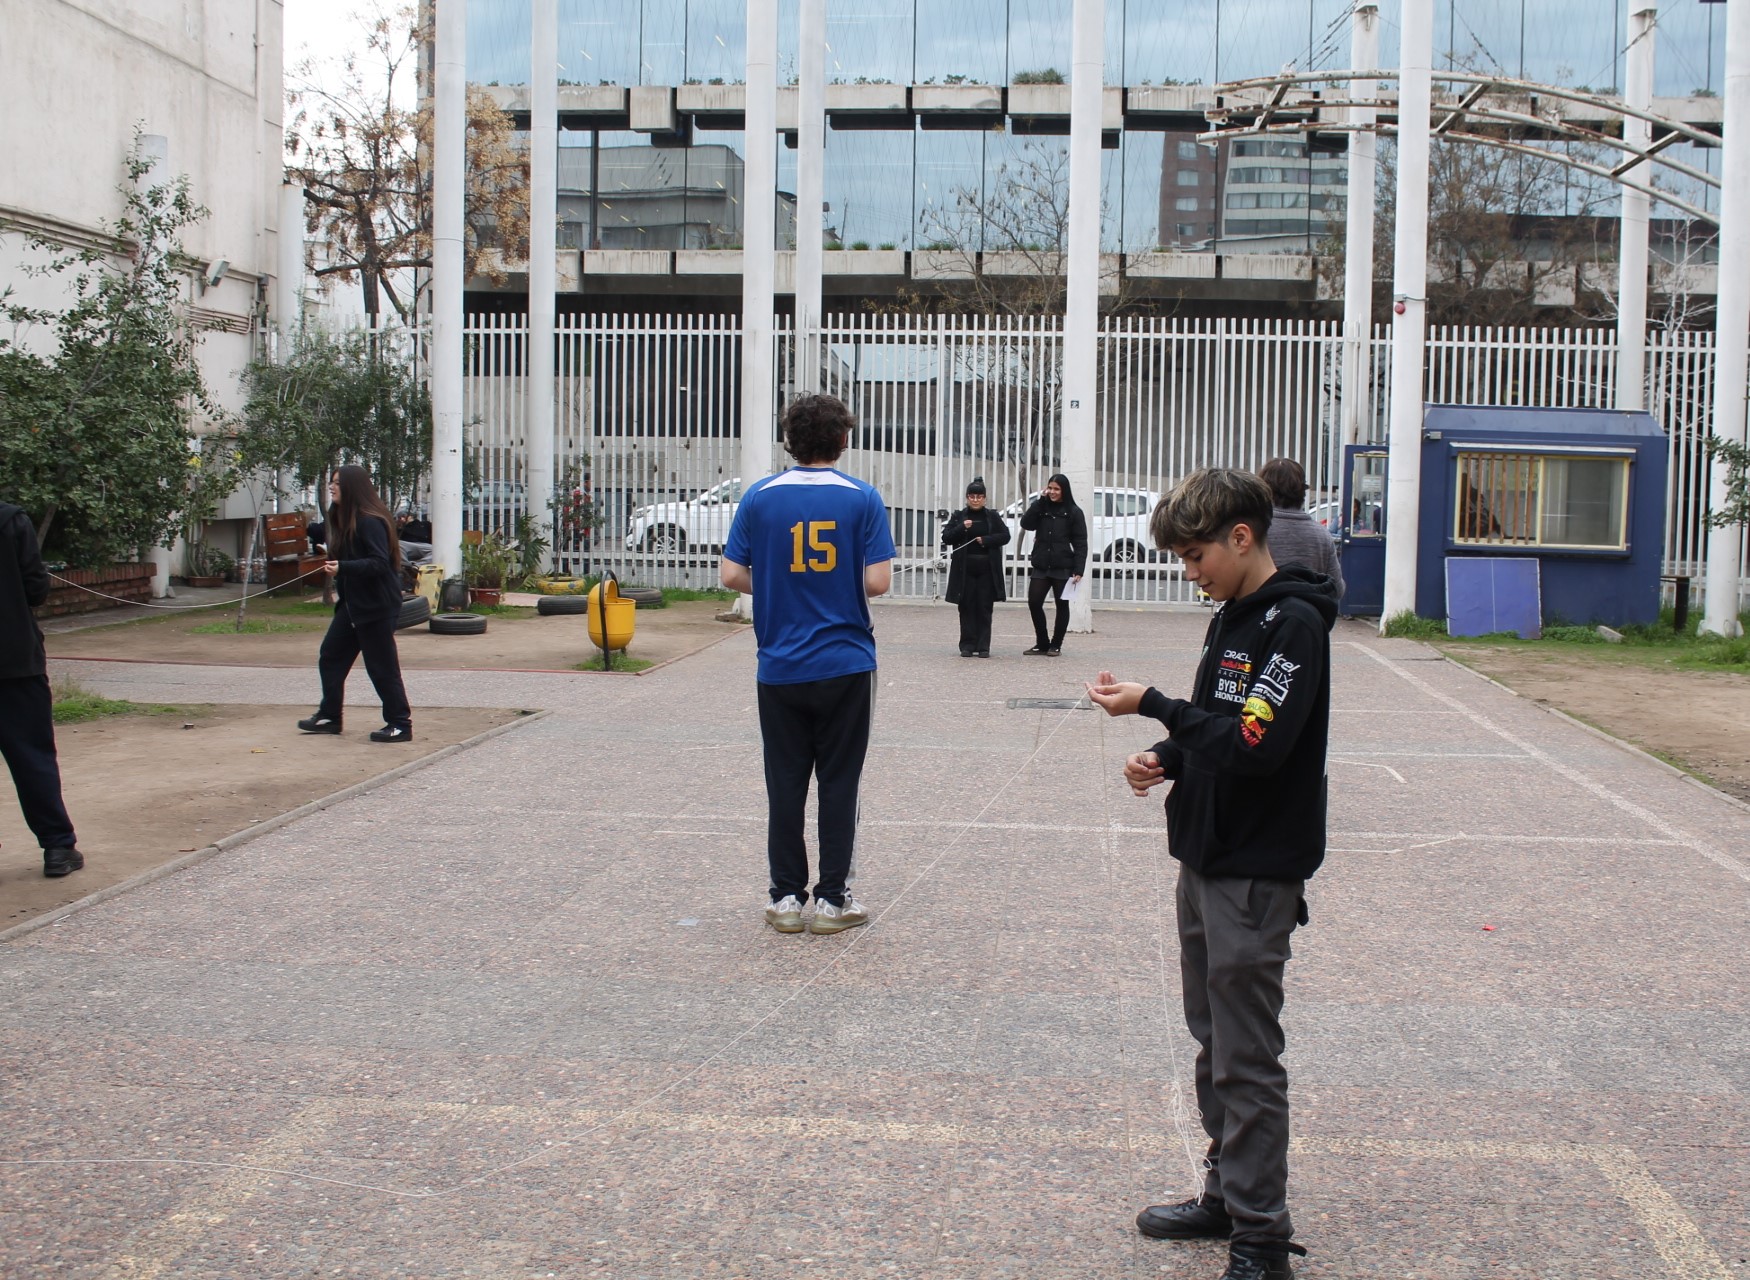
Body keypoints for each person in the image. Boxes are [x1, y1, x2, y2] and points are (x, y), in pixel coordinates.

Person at [1087, 468, 1338, 1280]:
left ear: (1241, 536)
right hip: (1206, 856)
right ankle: (1227, 1192)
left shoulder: (1293, 626)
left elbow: (1256, 746)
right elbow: (1222, 725)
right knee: (1212, 1040)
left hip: (1253, 871)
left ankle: (1262, 1240)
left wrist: (1156, 705)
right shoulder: (1233, 615)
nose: (1189, 572)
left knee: (1245, 1055)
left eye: (1196, 556)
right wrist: (1166, 755)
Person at [720, 393, 895, 936]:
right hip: (845, 662)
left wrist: (779, 584)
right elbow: (878, 582)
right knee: (840, 782)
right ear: (843, 439)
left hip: (780, 663)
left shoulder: (759, 497)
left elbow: (731, 575)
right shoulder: (862, 497)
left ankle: (786, 897)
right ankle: (833, 901)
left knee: (785, 782)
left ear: (790, 440)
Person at [297, 464, 414, 743]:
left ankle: (400, 724)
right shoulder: (343, 518)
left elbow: (379, 562)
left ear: (353, 487)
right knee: (331, 655)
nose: (332, 487)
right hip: (352, 605)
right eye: (331, 482)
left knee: (381, 667)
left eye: (337, 483)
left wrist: (343, 567)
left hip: (376, 606)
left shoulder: (370, 521)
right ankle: (330, 716)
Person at [0, 500, 84, 878]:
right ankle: (57, 847)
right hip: (14, 657)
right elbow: (35, 588)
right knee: (32, 757)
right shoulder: (10, 520)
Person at [940, 475, 1009, 658]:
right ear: (967, 498)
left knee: (984, 607)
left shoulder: (992, 516)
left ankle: (983, 645)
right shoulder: (959, 516)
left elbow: (1005, 536)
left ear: (984, 498)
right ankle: (967, 644)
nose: (976, 500)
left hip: (986, 568)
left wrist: (986, 540)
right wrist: (961, 527)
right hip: (965, 569)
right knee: (966, 606)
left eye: (979, 497)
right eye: (972, 496)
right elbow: (946, 537)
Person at [1256, 458, 1343, 601]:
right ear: (1302, 491)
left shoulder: (1253, 531)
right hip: (1308, 612)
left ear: (1263, 489)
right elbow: (1337, 589)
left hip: (1260, 611)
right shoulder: (1322, 535)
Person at [1019, 472, 1086, 656]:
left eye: (1056, 489)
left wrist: (1079, 569)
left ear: (1064, 490)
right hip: (1041, 564)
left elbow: (1081, 542)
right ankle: (1042, 642)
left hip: (1063, 566)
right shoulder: (1042, 508)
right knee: (1034, 602)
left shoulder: (1074, 512)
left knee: (1061, 605)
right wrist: (1039, 502)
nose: (1052, 492)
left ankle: (1056, 644)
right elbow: (1026, 523)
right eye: (1050, 488)